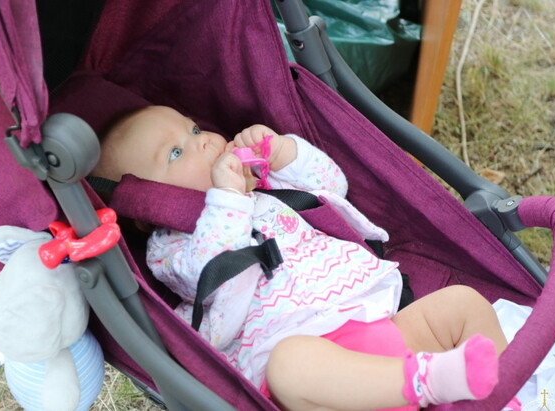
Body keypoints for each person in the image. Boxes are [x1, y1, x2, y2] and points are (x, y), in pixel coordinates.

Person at [91, 105, 513, 411]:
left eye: (194, 128)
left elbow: (331, 186)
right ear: (148, 206)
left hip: (376, 326)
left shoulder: (264, 189)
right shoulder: (172, 246)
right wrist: (226, 198)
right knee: (289, 366)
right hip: (317, 375)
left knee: (462, 304)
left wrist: (282, 153)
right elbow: (214, 272)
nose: (202, 141)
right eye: (176, 153)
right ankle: (429, 381)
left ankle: (503, 392)